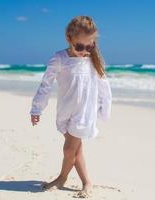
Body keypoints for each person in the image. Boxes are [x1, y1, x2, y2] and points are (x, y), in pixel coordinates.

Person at [29, 15, 112, 198]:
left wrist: (104, 110)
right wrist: (37, 108)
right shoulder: (59, 58)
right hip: (65, 111)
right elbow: (46, 85)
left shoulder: (92, 60)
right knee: (76, 149)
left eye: (89, 46)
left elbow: (103, 86)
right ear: (69, 39)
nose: (84, 51)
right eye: (80, 46)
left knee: (68, 149)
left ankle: (62, 178)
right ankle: (87, 182)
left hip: (84, 113)